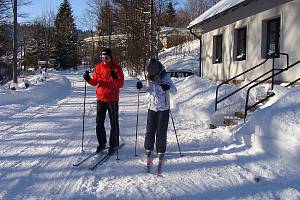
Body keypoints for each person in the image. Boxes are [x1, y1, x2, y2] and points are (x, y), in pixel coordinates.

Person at [136, 58, 177, 174]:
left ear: (158, 71)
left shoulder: (166, 77)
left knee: (161, 131)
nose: (151, 75)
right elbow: (148, 89)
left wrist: (168, 87)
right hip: (152, 108)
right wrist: (141, 87)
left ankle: (161, 150)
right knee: (150, 130)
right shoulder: (150, 78)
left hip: (163, 108)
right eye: (149, 73)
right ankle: (148, 148)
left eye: (153, 73)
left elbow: (175, 90)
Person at [83, 48, 124, 154]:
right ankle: (102, 143)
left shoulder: (117, 68)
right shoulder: (98, 67)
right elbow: (95, 82)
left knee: (113, 123)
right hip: (101, 99)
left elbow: (120, 84)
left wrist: (115, 77)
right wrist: (88, 78)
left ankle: (114, 144)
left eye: (106, 57)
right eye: (103, 57)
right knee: (99, 122)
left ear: (110, 57)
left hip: (112, 99)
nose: (104, 59)